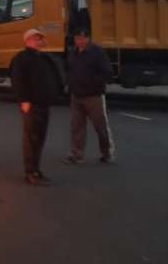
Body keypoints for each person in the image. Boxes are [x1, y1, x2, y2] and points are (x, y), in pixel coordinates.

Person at [10, 28, 63, 186]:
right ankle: (30, 172)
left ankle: (36, 169)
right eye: (35, 38)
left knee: (40, 138)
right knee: (31, 138)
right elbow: (17, 80)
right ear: (27, 41)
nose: (38, 41)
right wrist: (24, 100)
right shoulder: (21, 58)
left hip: (44, 103)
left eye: (39, 39)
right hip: (31, 104)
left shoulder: (43, 58)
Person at [63, 28, 115, 165]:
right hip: (76, 96)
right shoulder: (73, 53)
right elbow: (69, 69)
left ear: (88, 38)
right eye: (76, 38)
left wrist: (93, 84)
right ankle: (76, 154)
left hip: (94, 96)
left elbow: (107, 73)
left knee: (100, 127)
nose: (79, 41)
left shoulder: (97, 52)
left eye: (81, 38)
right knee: (76, 127)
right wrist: (70, 84)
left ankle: (107, 153)